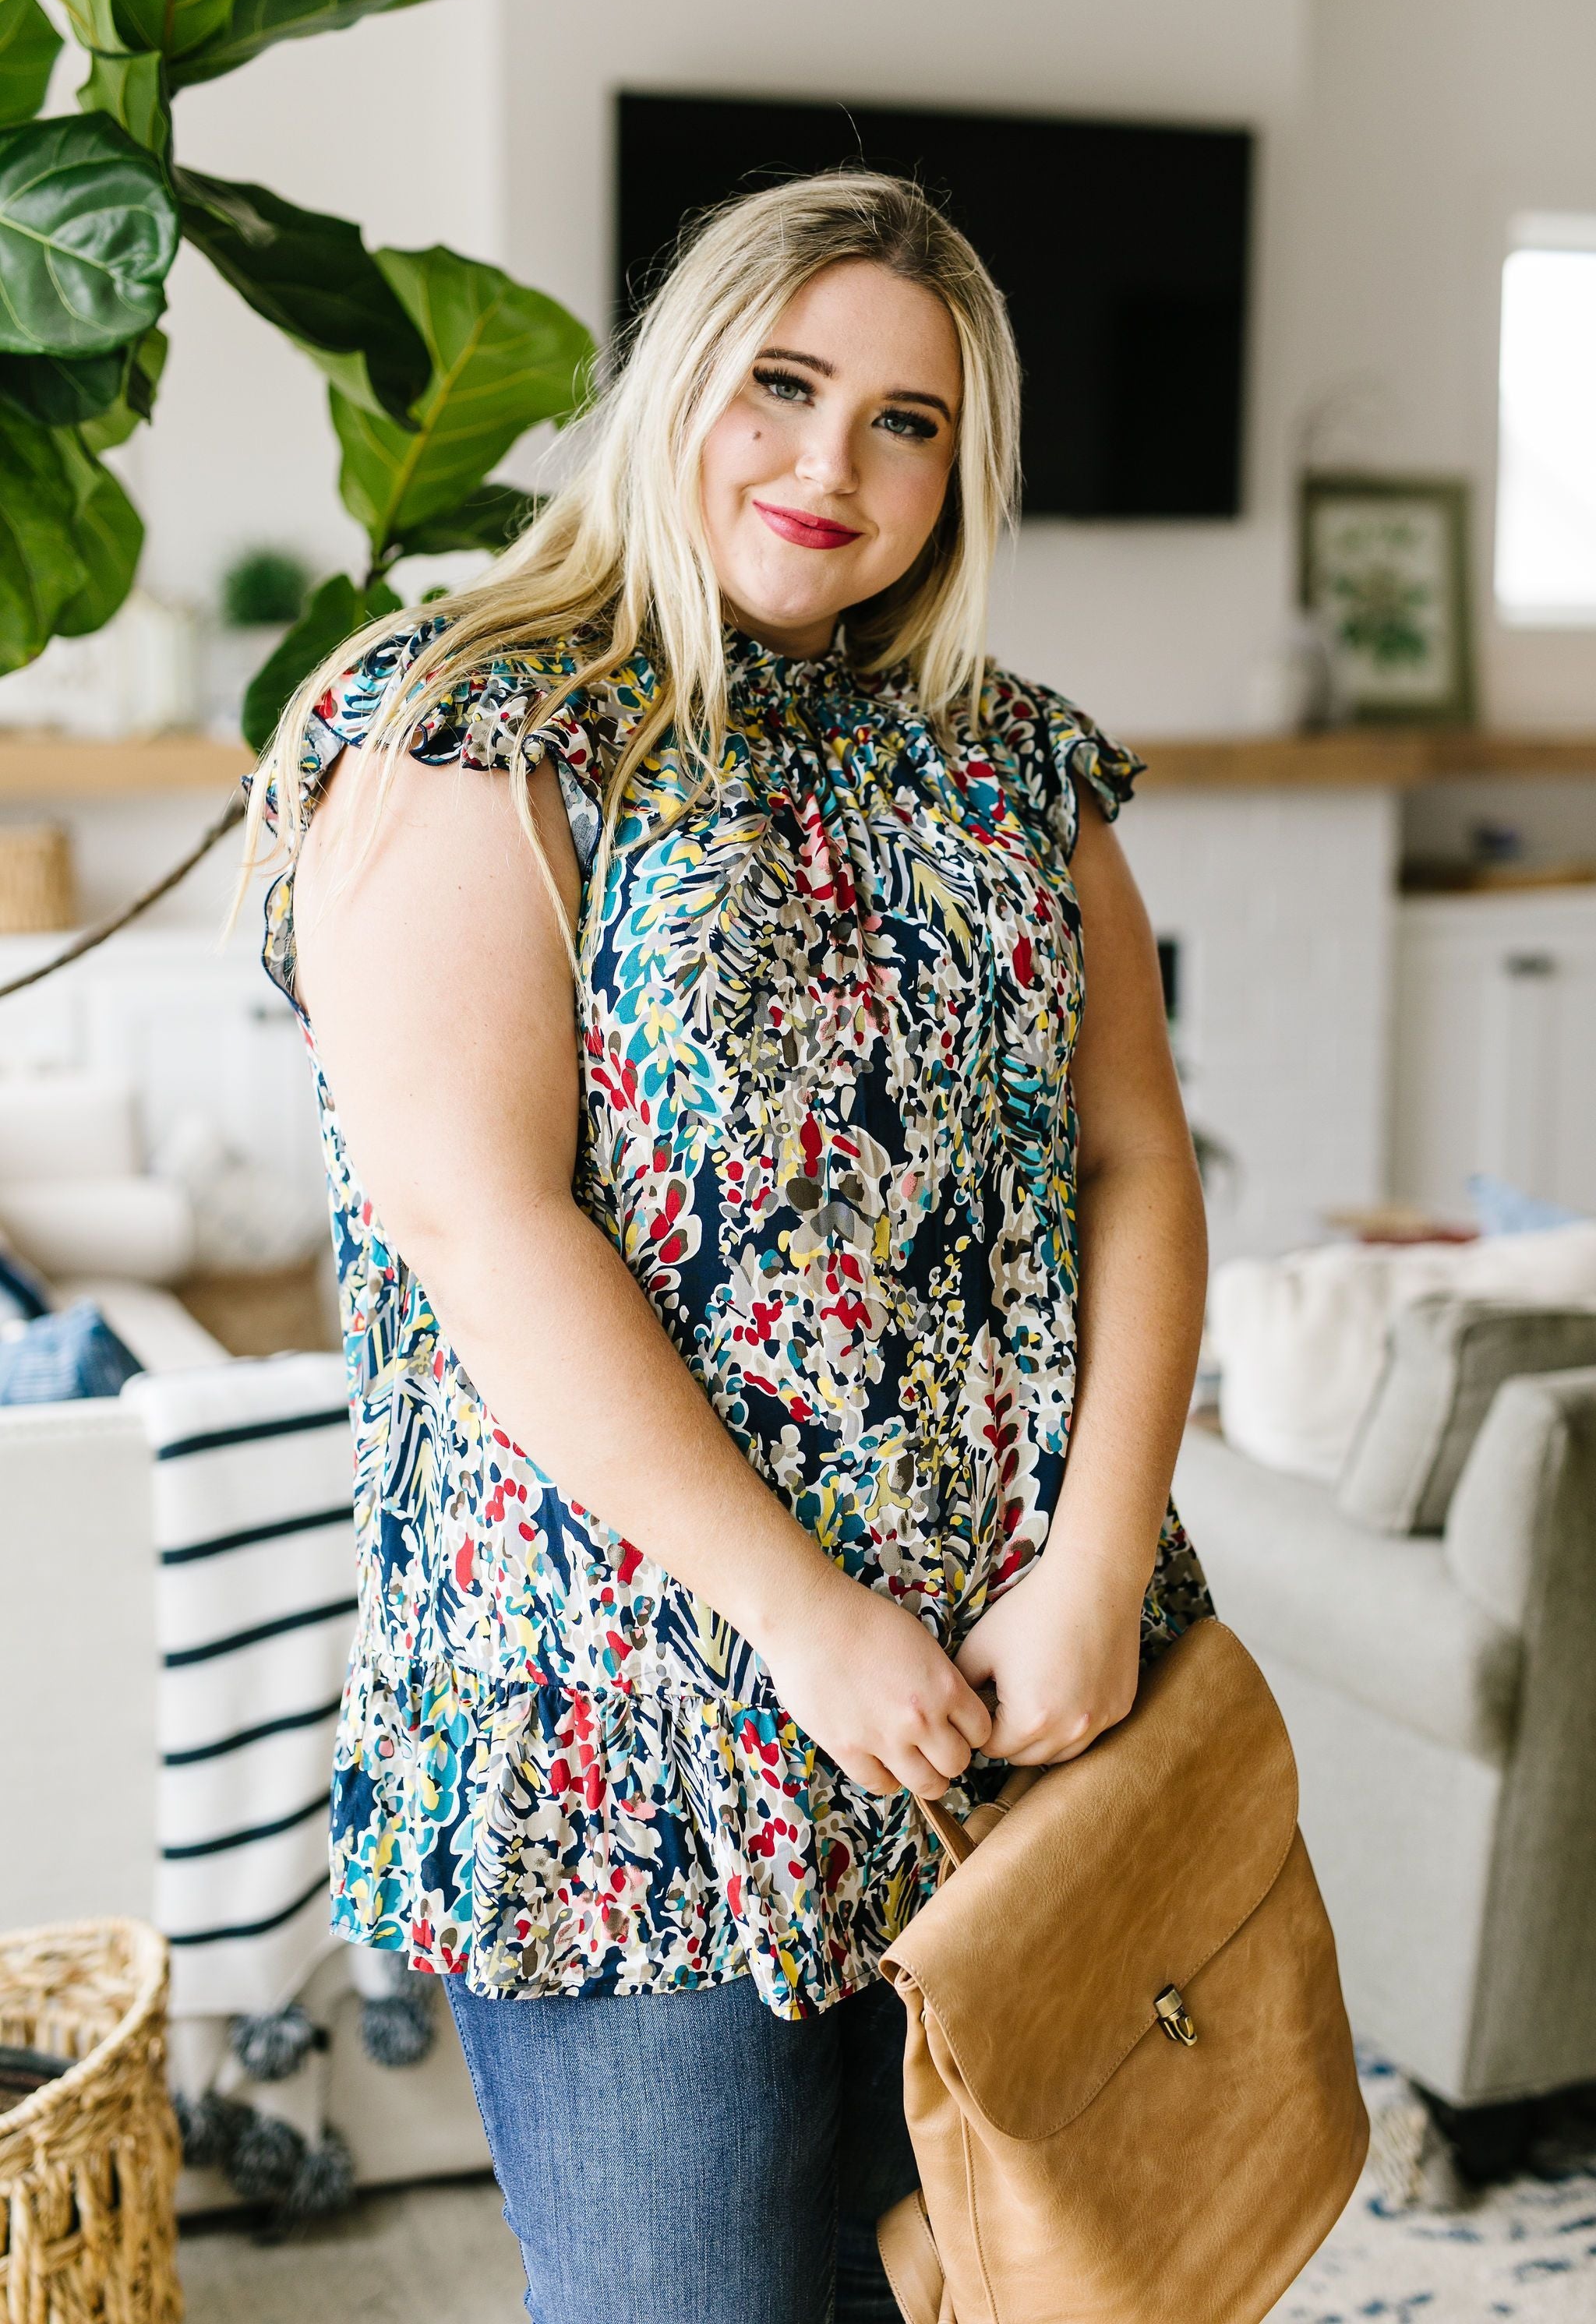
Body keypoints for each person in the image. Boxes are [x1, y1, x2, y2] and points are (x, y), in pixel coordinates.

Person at [239, 170, 1213, 2324]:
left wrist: (1100, 1566)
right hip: (638, 1737)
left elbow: (1137, 1163)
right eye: (784, 385)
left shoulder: (1011, 763)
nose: (831, 463)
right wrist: (801, 1622)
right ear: (682, 382)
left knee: (1027, 2285)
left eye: (906, 423)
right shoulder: (471, 721)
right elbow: (473, 1221)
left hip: (1022, 1714)